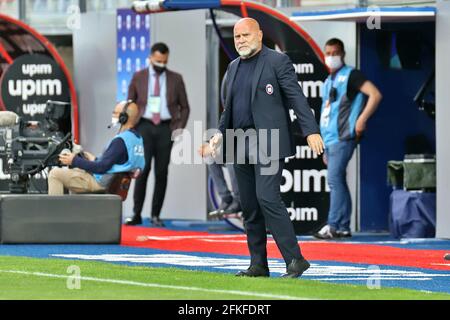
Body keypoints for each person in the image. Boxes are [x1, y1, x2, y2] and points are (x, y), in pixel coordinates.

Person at [199, 18, 324, 278]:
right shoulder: (233, 67)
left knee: (267, 198)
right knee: (249, 205)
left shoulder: (277, 61)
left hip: (268, 140)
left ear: (259, 34)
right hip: (238, 141)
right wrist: (218, 135)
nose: (241, 40)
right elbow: (229, 108)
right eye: (237, 37)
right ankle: (258, 264)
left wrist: (310, 130)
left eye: (245, 35)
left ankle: (295, 259)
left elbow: (296, 98)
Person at [314, 38, 382, 240]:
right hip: (330, 139)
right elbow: (327, 113)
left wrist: (362, 119)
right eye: (328, 53)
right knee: (339, 180)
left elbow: (375, 94)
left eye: (335, 53)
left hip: (344, 136)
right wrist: (324, 146)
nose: (331, 57)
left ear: (342, 54)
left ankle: (333, 225)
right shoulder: (328, 81)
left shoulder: (351, 75)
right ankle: (343, 226)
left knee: (334, 179)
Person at [125, 42, 190, 227]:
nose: (161, 63)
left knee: (162, 173)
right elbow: (130, 104)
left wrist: (178, 128)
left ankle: (155, 215)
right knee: (142, 171)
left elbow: (185, 107)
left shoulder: (176, 79)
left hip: (165, 129)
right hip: (143, 126)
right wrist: (130, 126)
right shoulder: (139, 77)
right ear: (151, 57)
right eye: (158, 60)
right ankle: (136, 214)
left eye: (164, 61)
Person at [48, 101, 145, 195]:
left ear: (124, 118)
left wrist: (74, 160)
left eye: (115, 113)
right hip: (111, 181)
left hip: (100, 182)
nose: (113, 115)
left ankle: (54, 211)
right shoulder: (136, 139)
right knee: (77, 170)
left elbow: (101, 168)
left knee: (55, 174)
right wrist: (94, 159)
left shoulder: (120, 141)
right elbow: (116, 163)